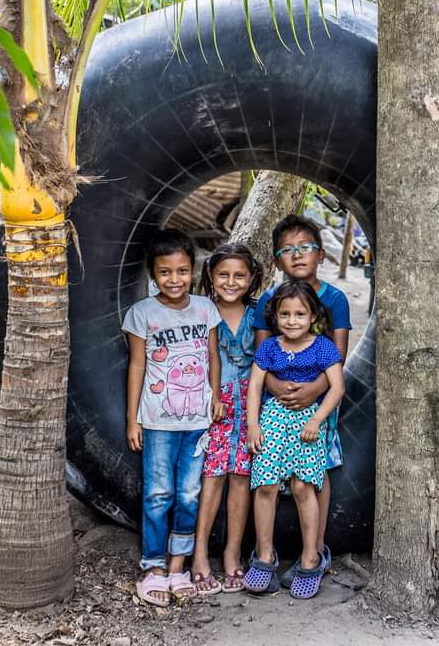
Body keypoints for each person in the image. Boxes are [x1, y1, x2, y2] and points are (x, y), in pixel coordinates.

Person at [123, 229, 222, 607]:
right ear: (152, 273)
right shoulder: (142, 314)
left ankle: (178, 565)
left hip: (197, 420)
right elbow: (137, 366)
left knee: (189, 493)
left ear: (192, 270)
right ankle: (153, 567)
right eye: (165, 272)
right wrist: (133, 419)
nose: (175, 279)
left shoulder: (205, 309)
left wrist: (214, 397)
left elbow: (213, 357)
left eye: (182, 271)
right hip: (158, 421)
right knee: (158, 493)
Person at [251, 214, 352, 585]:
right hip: (276, 402)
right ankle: (265, 552)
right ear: (277, 260)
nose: (297, 255)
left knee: (314, 472)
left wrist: (313, 392)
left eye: (305, 247)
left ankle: (315, 552)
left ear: (320, 254)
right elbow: (261, 354)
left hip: (319, 401)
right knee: (270, 473)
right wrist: (275, 388)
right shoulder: (269, 300)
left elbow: (337, 355)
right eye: (287, 250)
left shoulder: (334, 298)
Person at [243, 281, 345, 599]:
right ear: (276, 317)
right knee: (266, 485)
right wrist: (252, 425)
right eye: (285, 314)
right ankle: (263, 556)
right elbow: (255, 385)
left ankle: (310, 558)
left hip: (308, 422)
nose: (292, 320)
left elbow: (337, 388)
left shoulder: (324, 347)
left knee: (303, 486)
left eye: (300, 314)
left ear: (312, 314)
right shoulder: (270, 347)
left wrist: (317, 419)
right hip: (272, 419)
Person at [189, 243, 264, 595]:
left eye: (239, 275)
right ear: (210, 276)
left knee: (240, 476)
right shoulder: (200, 312)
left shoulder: (259, 315)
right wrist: (210, 396)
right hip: (213, 406)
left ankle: (232, 552)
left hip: (250, 408)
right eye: (223, 275)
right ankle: (200, 552)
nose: (231, 282)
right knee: (212, 476)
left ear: (251, 280)